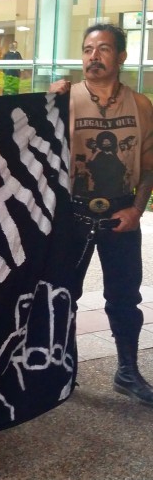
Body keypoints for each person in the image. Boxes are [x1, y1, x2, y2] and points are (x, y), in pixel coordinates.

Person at [50, 23, 153, 407]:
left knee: (125, 296)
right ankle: (61, 370)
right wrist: (48, 102)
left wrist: (136, 209)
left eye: (104, 48)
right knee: (64, 294)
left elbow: (147, 164)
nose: (94, 56)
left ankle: (127, 370)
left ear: (121, 56)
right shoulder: (65, 99)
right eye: (88, 49)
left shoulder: (140, 105)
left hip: (120, 212)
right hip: (73, 214)